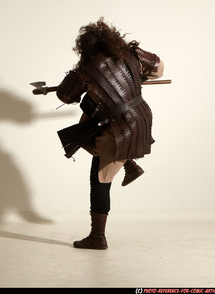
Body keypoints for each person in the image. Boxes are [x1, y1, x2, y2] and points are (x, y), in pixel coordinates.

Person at [56, 18, 164, 249]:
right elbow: (160, 68)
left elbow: (65, 96)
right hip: (141, 119)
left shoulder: (86, 71)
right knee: (88, 126)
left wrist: (79, 80)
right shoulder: (132, 54)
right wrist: (139, 76)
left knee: (100, 181)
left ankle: (97, 237)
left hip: (120, 129)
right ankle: (129, 163)